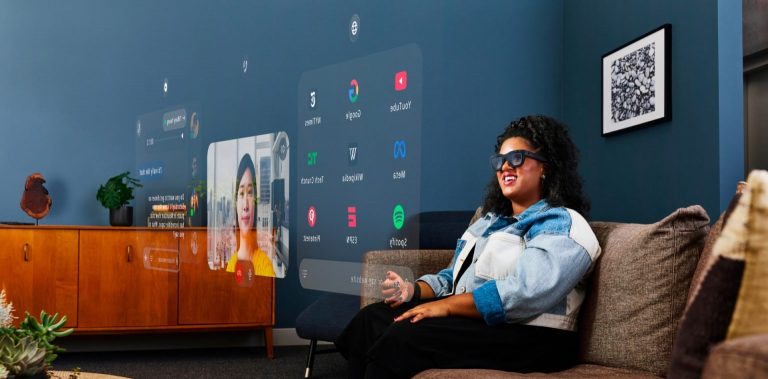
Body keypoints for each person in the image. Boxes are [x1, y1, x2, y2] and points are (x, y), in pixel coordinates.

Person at [335, 115, 602, 378]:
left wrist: (447, 306)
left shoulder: (561, 222)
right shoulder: (486, 223)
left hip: (534, 335)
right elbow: (451, 277)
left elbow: (526, 293)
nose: (505, 167)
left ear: (546, 166)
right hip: (480, 322)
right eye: (500, 161)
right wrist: (412, 290)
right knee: (371, 320)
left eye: (517, 158)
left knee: (404, 335)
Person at [225, 153, 276, 277]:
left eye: (250, 192)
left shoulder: (266, 268)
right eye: (241, 193)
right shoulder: (230, 266)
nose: (246, 205)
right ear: (236, 204)